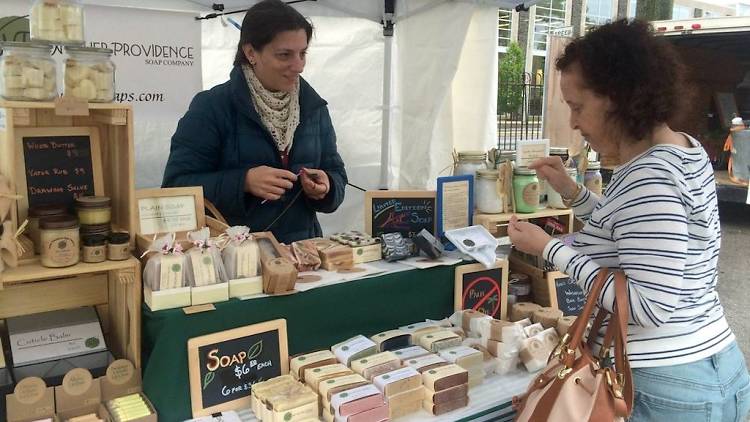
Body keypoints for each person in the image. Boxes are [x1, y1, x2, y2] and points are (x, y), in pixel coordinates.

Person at [508, 20, 750, 422]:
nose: (573, 123)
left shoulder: (650, 175)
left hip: (665, 384)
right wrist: (571, 190)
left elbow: (648, 305)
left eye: (577, 106)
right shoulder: (683, 150)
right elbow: (631, 232)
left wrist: (550, 249)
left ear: (618, 97)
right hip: (707, 362)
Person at [162, 0, 347, 244]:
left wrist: (327, 187)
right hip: (235, 258)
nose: (298, 66)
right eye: (285, 55)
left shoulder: (313, 108)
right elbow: (176, 188)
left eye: (303, 53)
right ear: (251, 53)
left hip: (302, 255)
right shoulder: (212, 107)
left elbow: (336, 174)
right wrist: (244, 181)